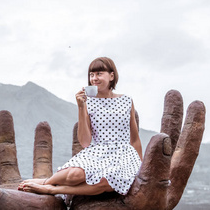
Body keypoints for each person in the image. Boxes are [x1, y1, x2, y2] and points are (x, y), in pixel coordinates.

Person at [18, 57, 143, 196]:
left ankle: (52, 189)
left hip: (123, 155)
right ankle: (46, 182)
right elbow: (85, 142)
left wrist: (142, 167)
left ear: (111, 76)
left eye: (99, 73)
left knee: (107, 181)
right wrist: (81, 107)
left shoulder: (126, 101)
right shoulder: (87, 102)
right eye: (91, 74)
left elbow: (135, 139)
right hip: (97, 153)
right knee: (74, 176)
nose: (94, 78)